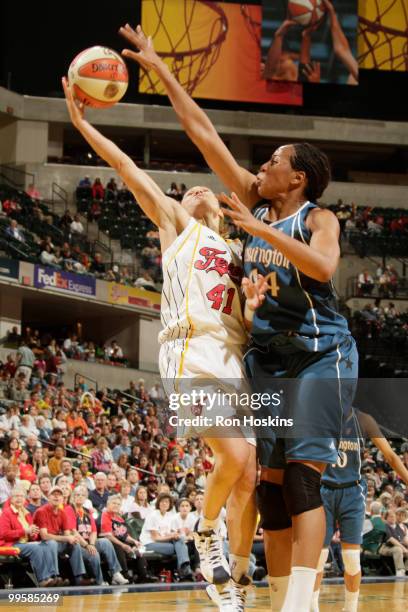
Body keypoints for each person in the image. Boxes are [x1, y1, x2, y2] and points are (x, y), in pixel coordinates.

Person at [119, 25, 358, 612]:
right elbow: (202, 133)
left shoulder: (316, 219)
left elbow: (324, 270)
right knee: (271, 492)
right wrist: (158, 66)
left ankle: (302, 602)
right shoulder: (253, 202)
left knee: (301, 480)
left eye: (274, 161)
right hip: (267, 357)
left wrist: (259, 230)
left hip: (321, 350)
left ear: (296, 179)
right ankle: (279, 600)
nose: (263, 166)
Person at [63, 72, 258, 603]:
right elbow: (125, 167)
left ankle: (234, 582)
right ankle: (205, 532)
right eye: (187, 189)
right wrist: (81, 124)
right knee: (236, 460)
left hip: (232, 358)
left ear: (220, 208)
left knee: (250, 475)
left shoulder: (241, 255)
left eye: (203, 189)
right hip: (187, 346)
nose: (193, 189)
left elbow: (253, 319)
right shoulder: (178, 226)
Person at [312, 409, 408, 611]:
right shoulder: (320, 414)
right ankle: (312, 606)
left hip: (352, 493)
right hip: (324, 491)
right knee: (318, 559)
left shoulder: (363, 420)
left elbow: (390, 455)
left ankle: (351, 608)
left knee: (352, 560)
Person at [0, 488, 66, 587]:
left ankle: (53, 576)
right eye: (16, 496)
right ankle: (43, 580)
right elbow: (4, 534)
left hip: (26, 543)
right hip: (12, 544)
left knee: (49, 544)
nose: (19, 498)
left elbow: (33, 534)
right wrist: (25, 531)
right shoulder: (7, 513)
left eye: (21, 496)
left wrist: (33, 534)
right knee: (36, 547)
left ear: (25, 499)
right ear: (11, 499)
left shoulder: (26, 513)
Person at [66, 486, 129, 585]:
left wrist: (91, 543)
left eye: (83, 495)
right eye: (77, 495)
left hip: (89, 542)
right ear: (73, 497)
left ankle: (115, 574)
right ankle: (99, 581)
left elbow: (94, 531)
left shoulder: (87, 511)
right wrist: (87, 546)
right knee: (94, 554)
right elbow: (73, 531)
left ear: (86, 498)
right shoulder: (69, 510)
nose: (80, 497)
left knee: (105, 542)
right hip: (78, 544)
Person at [33, 485, 95, 586]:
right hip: (42, 544)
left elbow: (67, 533)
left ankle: (79, 577)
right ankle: (55, 576)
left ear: (63, 498)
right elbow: (44, 536)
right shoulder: (41, 511)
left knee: (75, 543)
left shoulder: (62, 512)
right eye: (54, 495)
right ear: (48, 497)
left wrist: (72, 539)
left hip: (56, 543)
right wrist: (66, 538)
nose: (56, 497)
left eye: (59, 495)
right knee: (52, 543)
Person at [100, 494, 154, 583]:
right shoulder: (105, 514)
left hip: (119, 540)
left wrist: (134, 541)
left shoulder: (119, 518)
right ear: (108, 504)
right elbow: (108, 535)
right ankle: (124, 573)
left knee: (138, 548)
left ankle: (143, 574)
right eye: (114, 503)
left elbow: (124, 535)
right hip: (108, 542)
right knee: (119, 546)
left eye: (118, 504)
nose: (116, 505)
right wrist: (123, 545)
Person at [139, 492, 193, 580]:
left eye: (167, 502)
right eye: (162, 501)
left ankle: (184, 568)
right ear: (158, 503)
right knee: (175, 547)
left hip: (163, 542)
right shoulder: (153, 516)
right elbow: (155, 538)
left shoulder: (169, 516)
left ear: (170, 504)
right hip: (149, 543)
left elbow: (168, 533)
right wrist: (171, 537)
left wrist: (175, 535)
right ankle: (184, 569)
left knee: (180, 540)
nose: (164, 504)